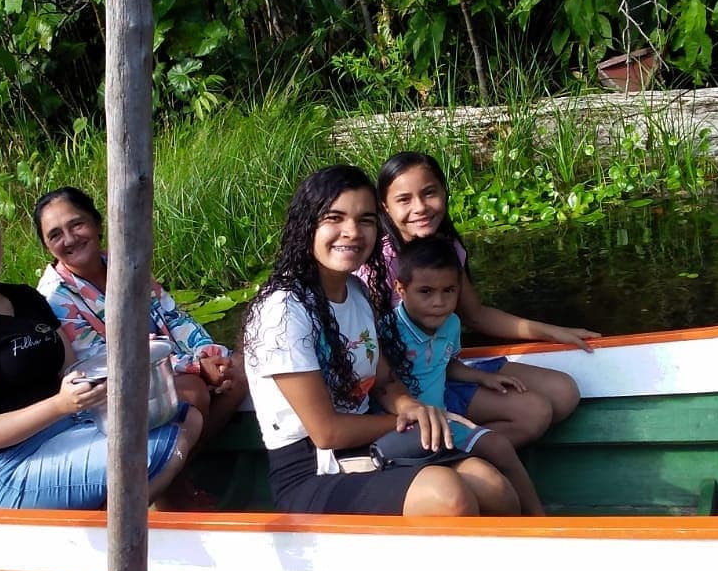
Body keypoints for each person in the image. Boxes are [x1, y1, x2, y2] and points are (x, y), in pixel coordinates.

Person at [242, 165, 519, 516]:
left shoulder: (356, 292)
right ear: (308, 224)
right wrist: (407, 421)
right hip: (311, 470)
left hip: (371, 448)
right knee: (448, 495)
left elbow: (385, 381)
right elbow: (327, 432)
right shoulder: (282, 311)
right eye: (335, 218)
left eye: (366, 220)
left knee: (491, 482)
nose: (352, 232)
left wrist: (409, 406)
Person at [0, 190, 202, 510]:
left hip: (66, 429)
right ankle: (106, 535)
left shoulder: (26, 299)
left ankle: (120, 519)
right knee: (163, 445)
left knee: (185, 416)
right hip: (7, 466)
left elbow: (71, 368)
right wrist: (60, 405)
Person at [364, 151, 600, 447]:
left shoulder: (446, 247)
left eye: (429, 193)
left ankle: (461, 444)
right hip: (405, 388)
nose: (420, 208)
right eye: (404, 200)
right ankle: (452, 455)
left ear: (444, 192)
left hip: (445, 368)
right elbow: (368, 351)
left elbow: (476, 315)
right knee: (534, 413)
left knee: (564, 392)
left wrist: (553, 332)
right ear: (385, 207)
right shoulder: (376, 264)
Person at [33, 186, 248, 447]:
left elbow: (174, 317)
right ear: (46, 246)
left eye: (76, 224)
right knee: (193, 390)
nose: (69, 239)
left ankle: (188, 465)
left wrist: (208, 355)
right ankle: (173, 478)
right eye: (55, 235)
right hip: (108, 393)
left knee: (238, 370)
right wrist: (196, 367)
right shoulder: (55, 298)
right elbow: (101, 362)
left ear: (97, 223)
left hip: (164, 369)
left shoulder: (126, 263)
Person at [390, 236, 544, 515]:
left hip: (445, 419)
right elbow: (380, 386)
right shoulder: (387, 331)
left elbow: (445, 363)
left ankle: (540, 521)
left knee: (499, 446)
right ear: (401, 288)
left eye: (449, 291)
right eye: (425, 292)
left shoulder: (451, 323)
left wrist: (481, 377)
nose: (439, 302)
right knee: (483, 484)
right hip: (403, 430)